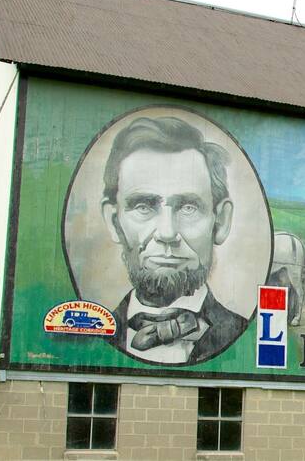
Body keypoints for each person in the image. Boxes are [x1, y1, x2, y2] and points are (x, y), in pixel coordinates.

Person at [100, 116, 245, 365]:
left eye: (188, 208)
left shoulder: (243, 335)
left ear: (221, 221)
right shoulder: (91, 338)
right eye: (143, 206)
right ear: (114, 222)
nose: (167, 233)